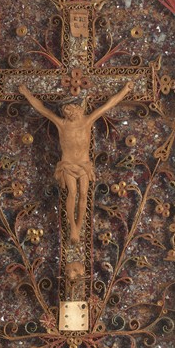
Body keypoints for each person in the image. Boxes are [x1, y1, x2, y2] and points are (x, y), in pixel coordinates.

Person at [19, 81, 134, 243]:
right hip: (68, 166)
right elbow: (41, 108)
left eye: (71, 109)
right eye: (66, 110)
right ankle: (73, 227)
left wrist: (125, 90)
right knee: (72, 193)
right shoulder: (61, 124)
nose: (69, 112)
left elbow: (108, 105)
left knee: (84, 195)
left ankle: (78, 227)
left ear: (79, 109)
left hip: (84, 166)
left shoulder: (87, 121)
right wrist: (26, 93)